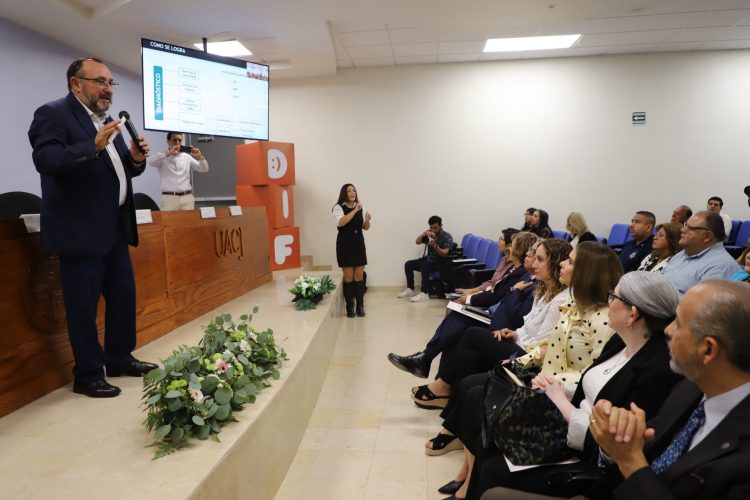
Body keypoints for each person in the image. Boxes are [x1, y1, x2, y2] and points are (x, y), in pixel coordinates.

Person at [432, 242, 623, 500]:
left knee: (479, 393)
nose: (563, 264)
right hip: (544, 378)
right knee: (475, 383)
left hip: (560, 394)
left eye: (569, 261)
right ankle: (468, 476)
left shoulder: (603, 320)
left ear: (586, 273)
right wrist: (522, 362)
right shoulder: (576, 304)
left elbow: (591, 374)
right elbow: (548, 346)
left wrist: (544, 380)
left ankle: (468, 484)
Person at [471, 272, 683, 500]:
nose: (609, 302)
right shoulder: (621, 341)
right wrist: (562, 390)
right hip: (570, 423)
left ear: (632, 314)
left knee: (494, 469)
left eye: (614, 297)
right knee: (492, 431)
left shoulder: (657, 369)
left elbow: (610, 443)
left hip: (590, 456)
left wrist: (561, 401)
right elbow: (592, 386)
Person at [27, 57, 157, 398]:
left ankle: (119, 358)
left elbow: (116, 170)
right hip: (79, 231)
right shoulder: (53, 114)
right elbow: (46, 160)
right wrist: (92, 146)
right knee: (82, 307)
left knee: (123, 296)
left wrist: (135, 160)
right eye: (100, 81)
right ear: (75, 83)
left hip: (114, 228)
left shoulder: (107, 121)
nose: (108, 89)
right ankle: (87, 374)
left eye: (111, 83)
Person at [585, 280, 750, 500]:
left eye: (678, 324)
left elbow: (636, 463)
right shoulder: (690, 388)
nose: (667, 330)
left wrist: (630, 462)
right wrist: (619, 437)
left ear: (708, 349)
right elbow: (642, 448)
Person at [388, 233, 537, 381]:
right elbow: (494, 288)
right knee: (454, 321)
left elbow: (498, 297)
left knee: (457, 322)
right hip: (493, 309)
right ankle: (428, 363)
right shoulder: (513, 268)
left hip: (497, 319)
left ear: (518, 251)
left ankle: (427, 363)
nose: (509, 248)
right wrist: (473, 294)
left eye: (513, 245)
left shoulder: (522, 275)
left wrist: (472, 298)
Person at [662, 211, 740, 294]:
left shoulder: (720, 266)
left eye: (690, 228)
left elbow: (703, 301)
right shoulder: (683, 254)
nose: (682, 230)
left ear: (707, 236)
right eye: (685, 225)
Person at [332, 183, 371, 317]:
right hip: (345, 244)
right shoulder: (338, 207)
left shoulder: (361, 207)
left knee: (359, 275)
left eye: (354, 190)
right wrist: (354, 211)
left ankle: (360, 306)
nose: (352, 193)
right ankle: (350, 306)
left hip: (358, 243)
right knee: (348, 277)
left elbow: (365, 227)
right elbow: (341, 222)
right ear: (344, 193)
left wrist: (367, 221)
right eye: (349, 191)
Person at [397, 215, 454, 302]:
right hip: (428, 260)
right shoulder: (429, 233)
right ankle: (410, 289)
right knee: (408, 264)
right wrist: (424, 234)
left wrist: (435, 246)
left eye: (435, 227)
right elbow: (417, 242)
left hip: (440, 263)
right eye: (431, 227)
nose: (433, 230)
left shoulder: (447, 236)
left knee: (425, 265)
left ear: (441, 226)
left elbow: (444, 254)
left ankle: (424, 293)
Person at [147, 132, 209, 210]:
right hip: (169, 198)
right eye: (174, 140)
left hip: (187, 197)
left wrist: (200, 157)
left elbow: (204, 169)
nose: (177, 142)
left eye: (179, 140)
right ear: (168, 141)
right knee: (168, 218)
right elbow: (151, 162)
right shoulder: (162, 156)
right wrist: (168, 153)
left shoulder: (186, 156)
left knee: (189, 218)